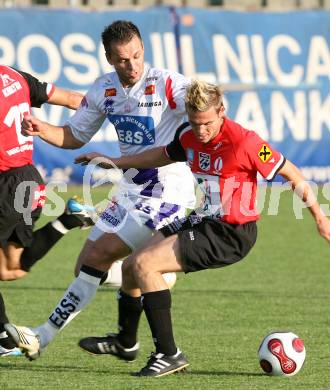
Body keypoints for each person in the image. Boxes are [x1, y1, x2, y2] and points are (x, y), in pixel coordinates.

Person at [72, 80, 330, 376]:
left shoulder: (245, 143)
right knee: (129, 270)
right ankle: (126, 341)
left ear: (222, 111)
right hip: (202, 220)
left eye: (207, 123)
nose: (201, 131)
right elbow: (161, 154)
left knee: (144, 265)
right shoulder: (189, 136)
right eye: (195, 122)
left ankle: (168, 353)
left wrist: (320, 217)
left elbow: (291, 172)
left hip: (230, 233)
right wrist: (116, 162)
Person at [3, 20, 195, 360]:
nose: (132, 65)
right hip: (131, 190)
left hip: (168, 192)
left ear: (143, 50)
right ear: (109, 58)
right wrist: (41, 128)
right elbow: (73, 136)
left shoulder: (165, 82)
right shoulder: (104, 90)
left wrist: (201, 105)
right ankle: (130, 330)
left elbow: (194, 104)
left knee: (100, 254)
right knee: (88, 267)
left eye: (137, 56)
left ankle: (43, 336)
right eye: (123, 59)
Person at [0, 65, 95, 357]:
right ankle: (68, 220)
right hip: (29, 181)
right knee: (10, 268)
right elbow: (71, 99)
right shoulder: (14, 75)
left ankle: (3, 337)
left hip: (5, 185)